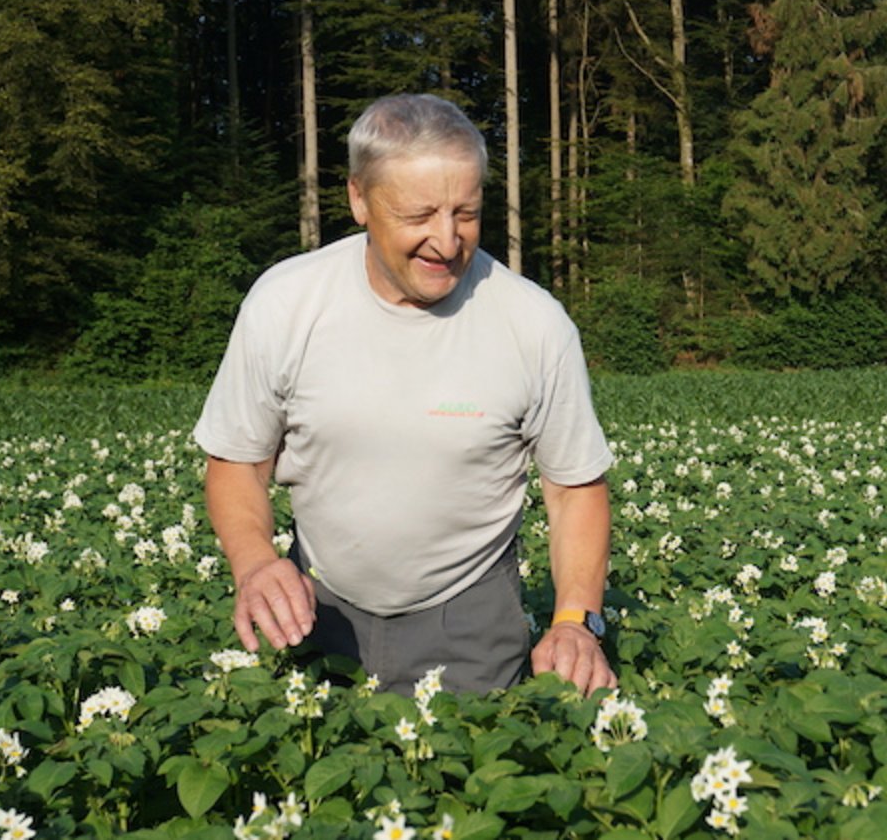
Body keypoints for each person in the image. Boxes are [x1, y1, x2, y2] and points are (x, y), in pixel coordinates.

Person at [194, 93, 617, 697]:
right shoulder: (286, 304)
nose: (446, 242)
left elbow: (575, 490)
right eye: (419, 216)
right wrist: (256, 564)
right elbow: (238, 460)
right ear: (359, 199)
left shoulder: (533, 323)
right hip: (315, 606)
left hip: (471, 622)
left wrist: (577, 622)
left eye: (465, 213)